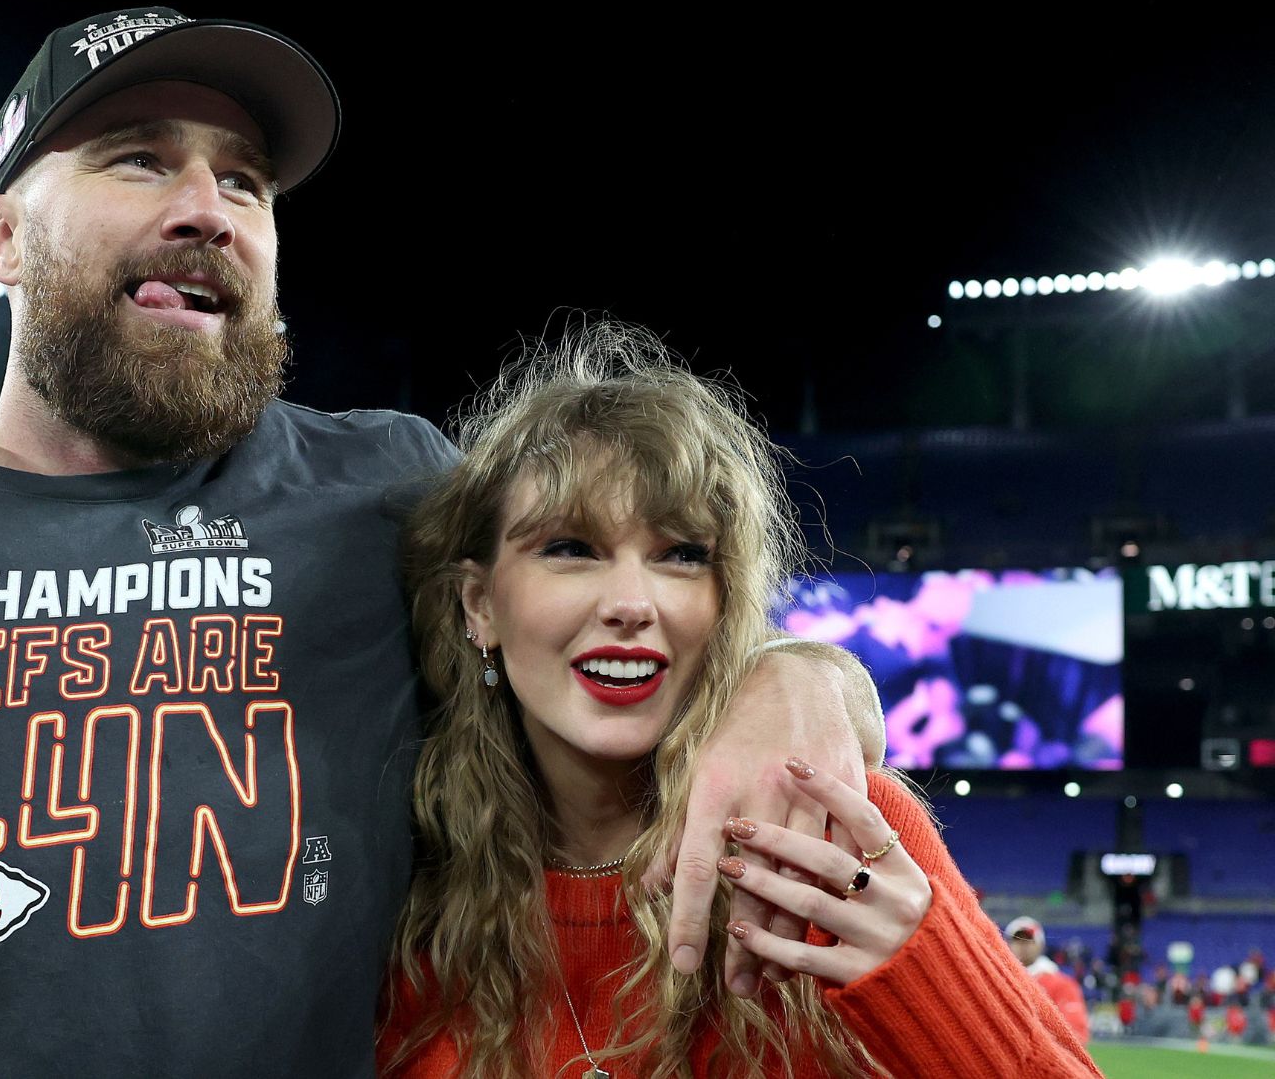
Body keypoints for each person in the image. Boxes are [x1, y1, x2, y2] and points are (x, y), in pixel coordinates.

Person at [0, 8, 883, 1077]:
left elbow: (632, 600)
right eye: (137, 157)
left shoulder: (391, 494)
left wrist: (801, 680)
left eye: (247, 180)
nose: (208, 205)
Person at [381, 328, 1100, 1078]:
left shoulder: (836, 826)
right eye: (570, 547)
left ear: (727, 604)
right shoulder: (403, 876)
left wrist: (926, 975)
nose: (632, 602)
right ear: (479, 604)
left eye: (682, 554)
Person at [1006, 916, 1091, 1045]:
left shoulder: (1062, 984)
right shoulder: (1000, 978)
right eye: (1017, 940)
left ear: (1041, 945)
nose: (1022, 945)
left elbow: (1076, 1033)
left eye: (1028, 940)